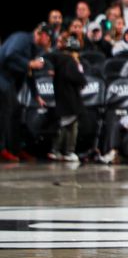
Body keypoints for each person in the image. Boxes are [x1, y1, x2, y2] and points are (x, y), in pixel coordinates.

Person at [0, 23, 50, 162]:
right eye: (48, 38)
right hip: (2, 79)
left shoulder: (34, 49)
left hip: (9, 82)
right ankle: (1, 149)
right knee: (5, 112)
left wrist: (36, 96)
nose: (48, 42)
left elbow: (30, 73)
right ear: (42, 34)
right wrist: (28, 63)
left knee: (16, 111)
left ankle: (14, 148)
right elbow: (10, 54)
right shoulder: (22, 38)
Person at [46, 34, 87, 163]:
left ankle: (56, 150)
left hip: (62, 98)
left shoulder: (58, 59)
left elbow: (44, 59)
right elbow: (76, 77)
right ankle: (68, 151)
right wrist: (83, 80)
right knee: (71, 125)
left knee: (65, 124)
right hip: (70, 100)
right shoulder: (69, 61)